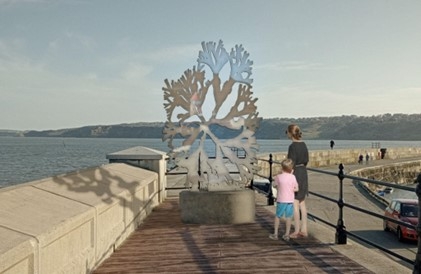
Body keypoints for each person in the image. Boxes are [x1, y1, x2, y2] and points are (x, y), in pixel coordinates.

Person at [285, 124, 309, 238]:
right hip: (303, 172)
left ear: (290, 133)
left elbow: (290, 163)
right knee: (302, 203)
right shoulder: (304, 145)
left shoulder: (292, 146)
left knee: (294, 203)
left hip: (296, 174)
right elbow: (307, 160)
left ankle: (296, 230)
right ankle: (304, 229)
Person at [269, 158, 299, 241]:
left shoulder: (278, 177)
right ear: (291, 169)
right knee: (288, 217)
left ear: (282, 168)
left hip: (281, 200)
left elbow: (274, 185)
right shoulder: (293, 177)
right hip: (290, 200)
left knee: (278, 216)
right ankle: (286, 234)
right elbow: (296, 189)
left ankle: (275, 233)